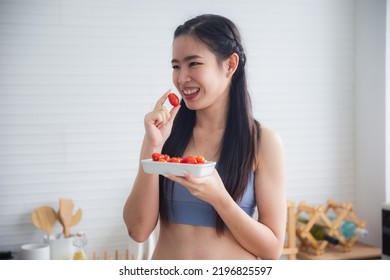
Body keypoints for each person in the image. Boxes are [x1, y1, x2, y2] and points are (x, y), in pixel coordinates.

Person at [123, 14, 286, 260]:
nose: (181, 78)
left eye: (194, 64)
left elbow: (272, 249)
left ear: (230, 65)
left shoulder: (263, 142)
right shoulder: (163, 135)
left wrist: (220, 199)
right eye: (176, 66)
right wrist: (153, 146)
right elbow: (137, 230)